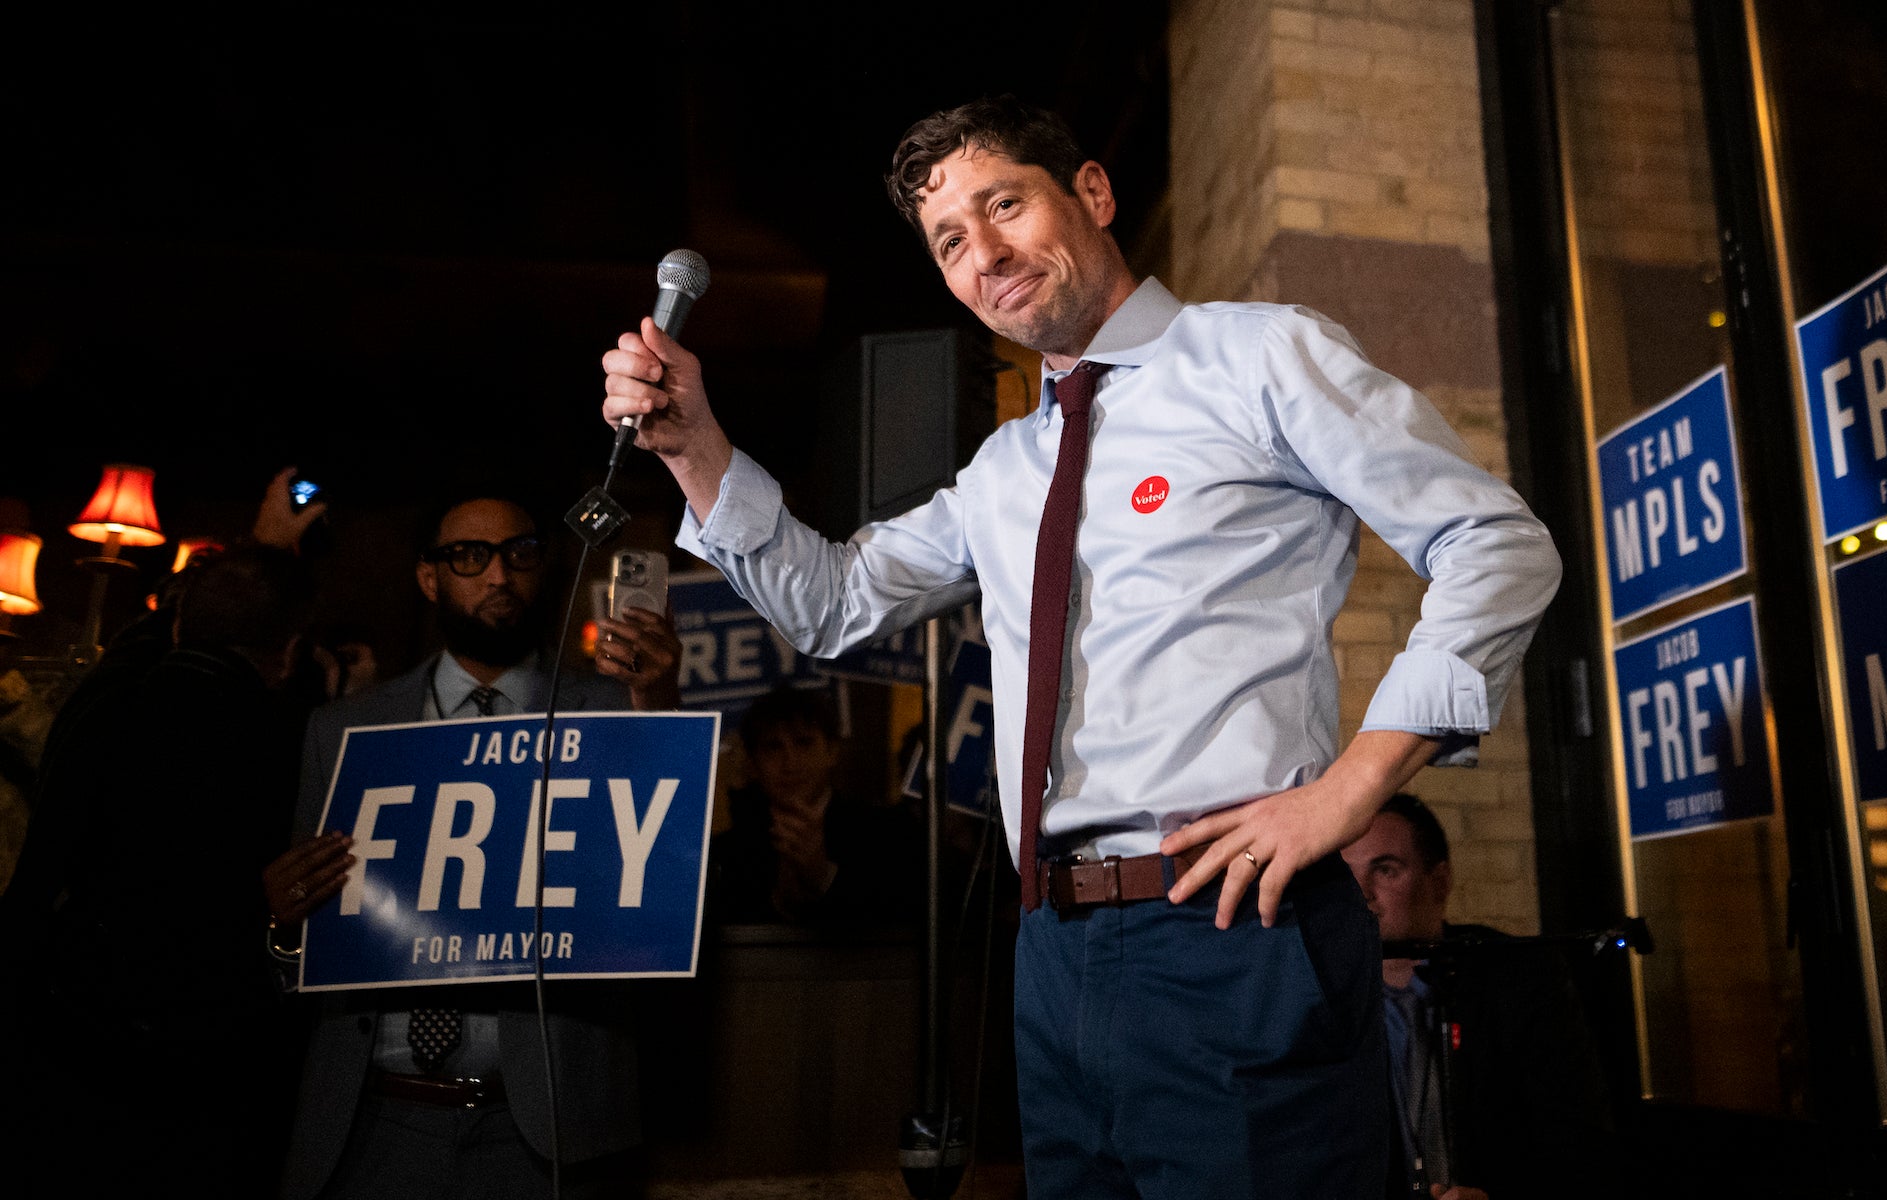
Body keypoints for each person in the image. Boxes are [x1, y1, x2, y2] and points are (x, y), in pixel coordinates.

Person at [598, 96, 1561, 1197]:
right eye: (951, 241)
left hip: (1231, 924)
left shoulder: (1257, 356)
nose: (985, 253)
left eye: (1005, 205)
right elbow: (834, 603)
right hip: (1052, 950)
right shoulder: (1004, 469)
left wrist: (1351, 790)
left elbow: (1497, 544)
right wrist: (696, 448)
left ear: (1092, 193)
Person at [264, 496, 683, 1200]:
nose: (498, 576)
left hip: (545, 1128)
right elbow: (297, 953)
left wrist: (658, 708)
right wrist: (281, 927)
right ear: (430, 579)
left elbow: (669, 890)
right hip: (372, 1122)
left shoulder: (616, 712)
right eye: (469, 556)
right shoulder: (343, 730)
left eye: (519, 554)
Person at [9, 546, 315, 1198]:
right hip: (204, 1072)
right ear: (289, 653)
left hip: (63, 1036)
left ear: (179, 626)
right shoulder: (290, 743)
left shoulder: (102, 702)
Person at [1342, 795, 1613, 1199]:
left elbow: (1578, 1142)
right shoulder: (1324, 995)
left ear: (1440, 882)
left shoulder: (1519, 975)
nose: (1361, 893)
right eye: (1347, 876)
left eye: (1385, 870)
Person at [708, 685, 920, 925]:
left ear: (832, 751)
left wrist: (822, 877)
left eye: (804, 743)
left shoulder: (888, 833)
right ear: (753, 762)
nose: (790, 762)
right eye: (773, 747)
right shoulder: (725, 853)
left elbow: (898, 915)